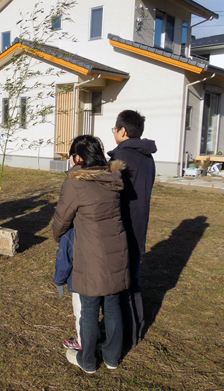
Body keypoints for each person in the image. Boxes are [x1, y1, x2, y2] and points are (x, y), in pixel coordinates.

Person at [53, 135, 130, 374]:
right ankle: (111, 358)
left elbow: (61, 221)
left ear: (78, 158)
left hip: (90, 253)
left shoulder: (75, 183)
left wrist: (59, 237)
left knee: (89, 308)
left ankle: (87, 361)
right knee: (113, 305)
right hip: (117, 249)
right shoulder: (114, 178)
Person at [108, 110, 157, 350]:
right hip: (139, 227)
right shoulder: (147, 156)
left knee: (121, 285)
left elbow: (110, 196)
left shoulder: (122, 158)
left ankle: (125, 334)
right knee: (133, 280)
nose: (114, 133)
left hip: (121, 229)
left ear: (123, 131)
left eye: (114, 129)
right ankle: (135, 330)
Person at [53, 227, 83, 351]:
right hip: (102, 280)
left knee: (81, 313)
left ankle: (82, 342)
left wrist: (59, 281)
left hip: (79, 283)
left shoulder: (70, 233)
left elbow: (63, 262)